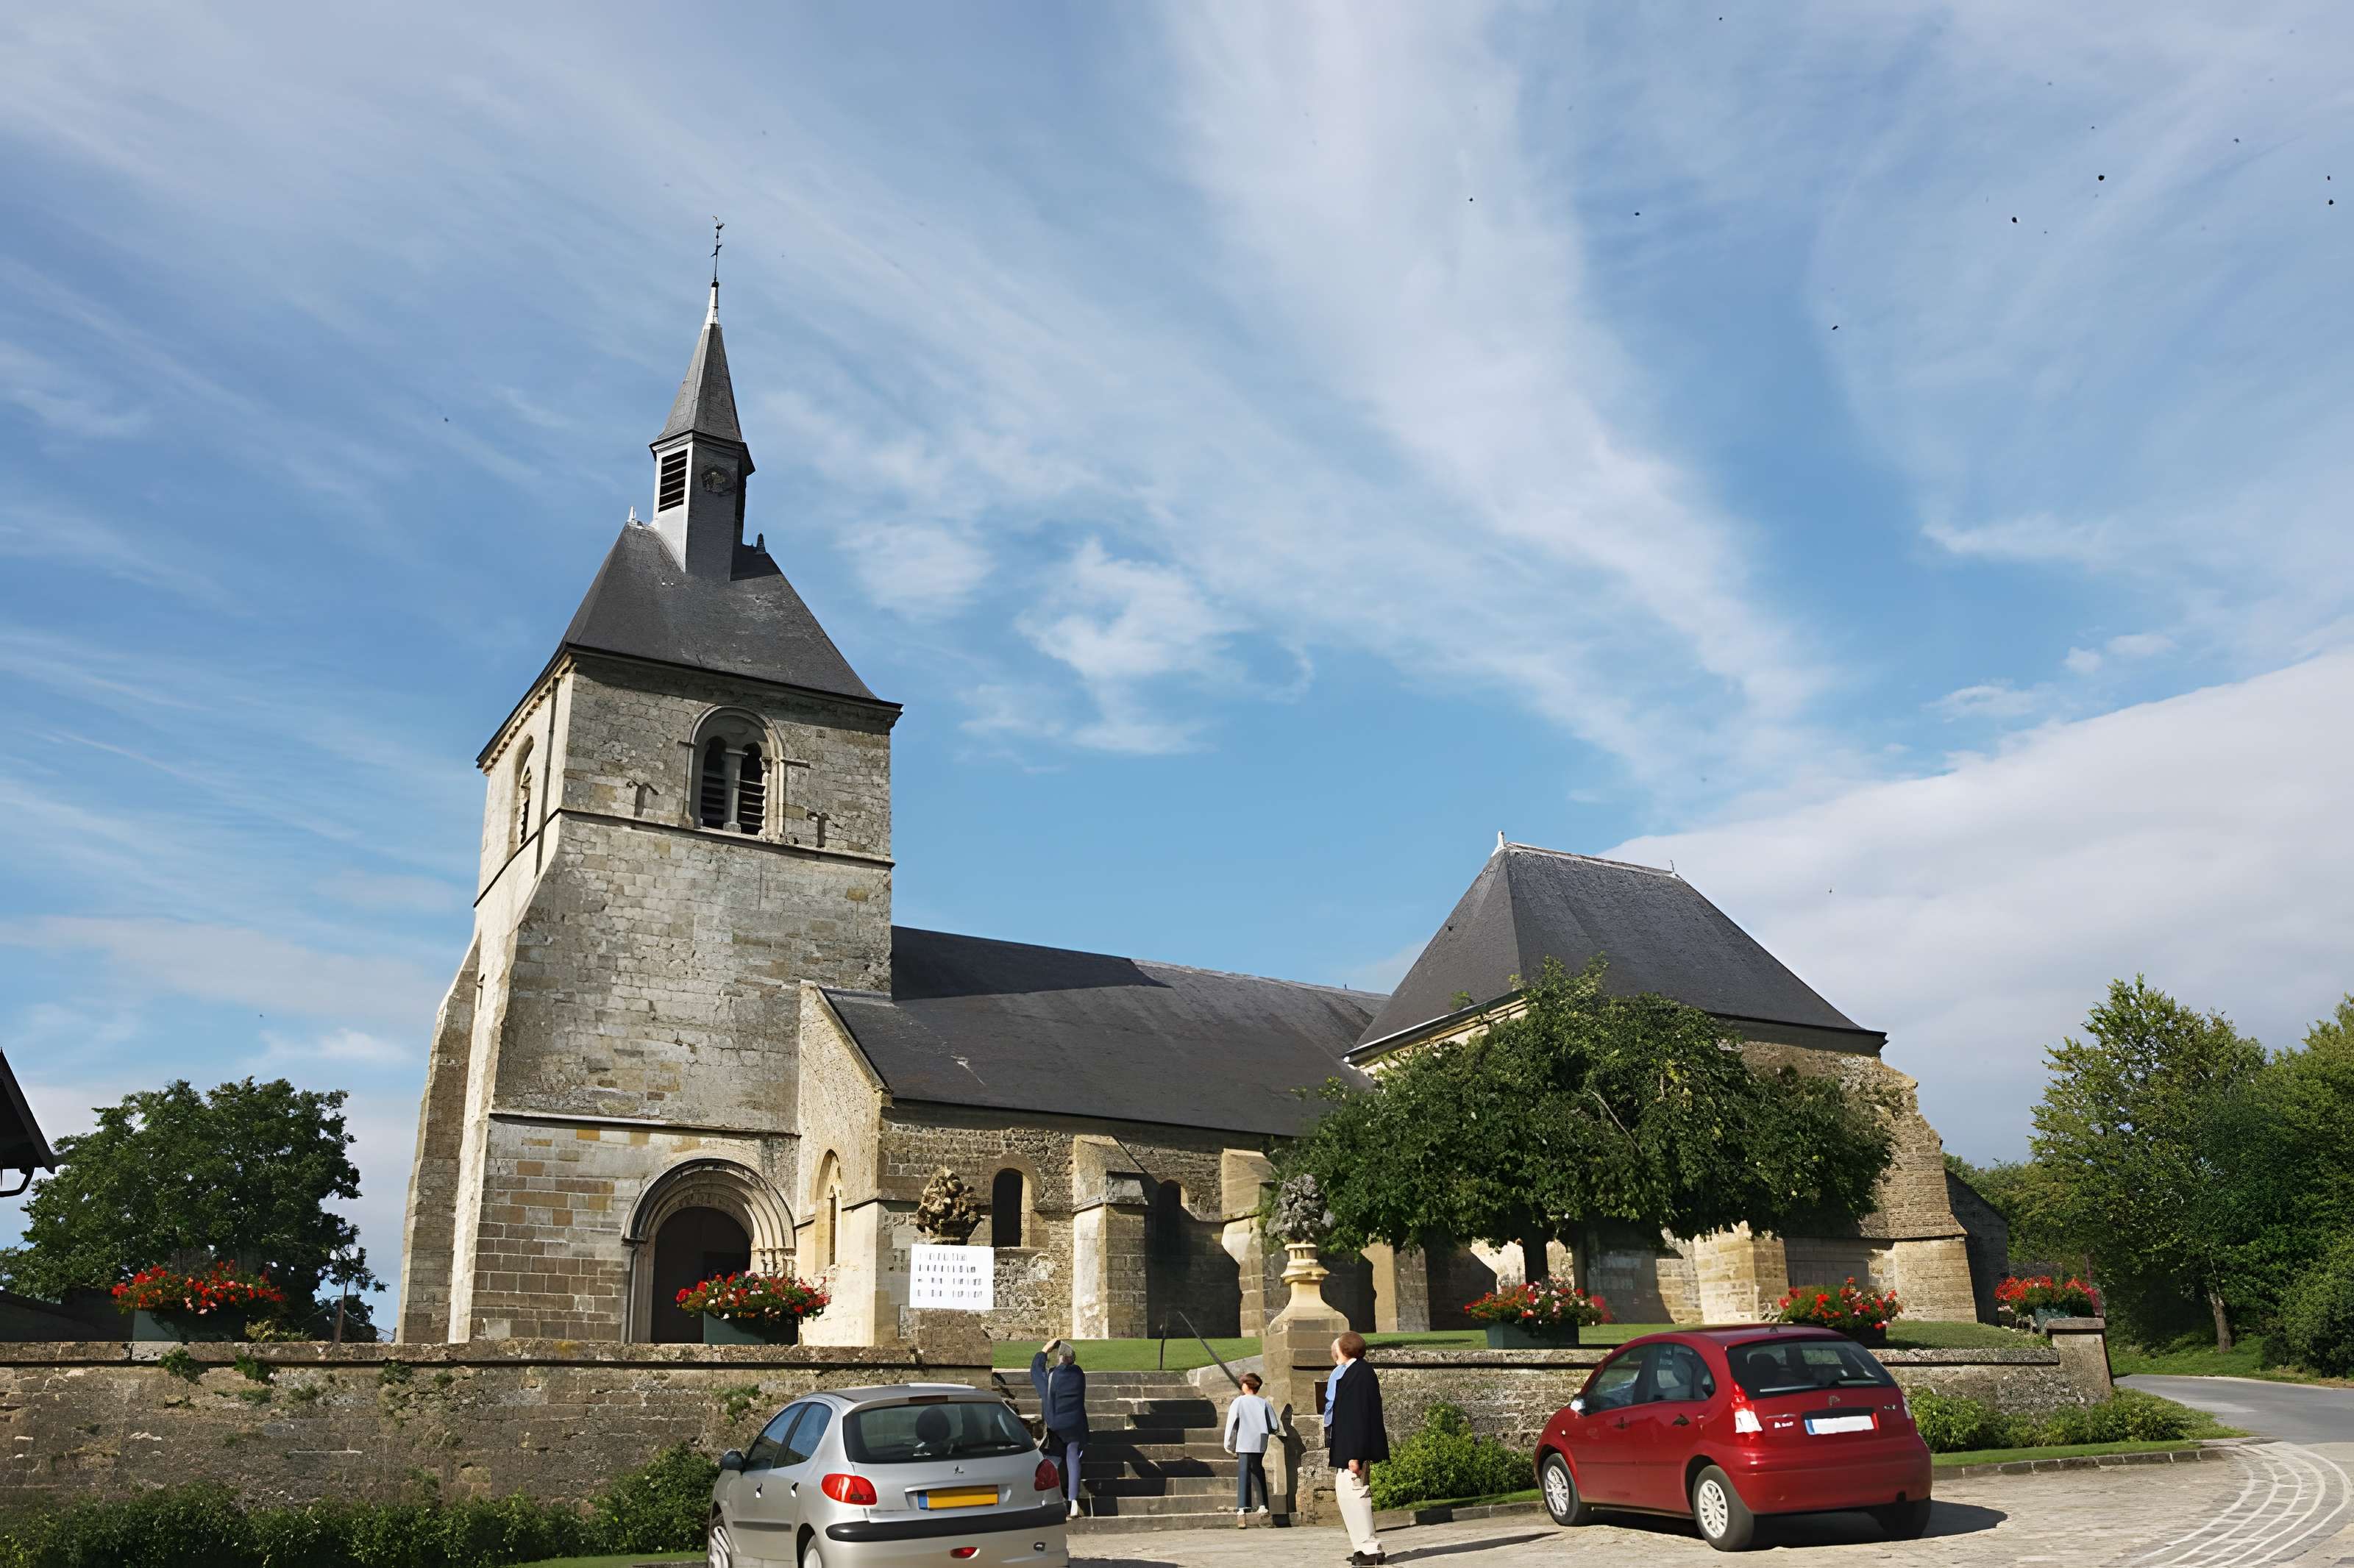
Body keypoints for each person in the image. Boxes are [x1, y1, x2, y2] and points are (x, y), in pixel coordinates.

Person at [1323, 1331, 1389, 1565]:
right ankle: (1362, 1546)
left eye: (1336, 1350)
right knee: (1347, 1496)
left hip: (1353, 1449)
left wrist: (1355, 1456)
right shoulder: (1354, 1372)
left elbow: (1358, 1417)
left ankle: (1371, 1548)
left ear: (1343, 1350)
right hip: (1348, 1447)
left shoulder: (1359, 1374)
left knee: (1356, 1495)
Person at [1029, 1336, 1090, 1519]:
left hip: (1057, 1425)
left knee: (1053, 1458)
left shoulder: (1052, 1378)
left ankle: (1052, 1498)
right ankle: (1074, 1502)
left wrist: (1045, 1350)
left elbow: (1036, 1372)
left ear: (1060, 1358)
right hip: (1075, 1425)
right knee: (1073, 1459)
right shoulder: (1079, 1375)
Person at [1222, 1370, 1280, 1524]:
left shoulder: (1239, 1402)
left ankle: (1242, 1506)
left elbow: (1231, 1424)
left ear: (1247, 1386)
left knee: (1244, 1472)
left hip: (1244, 1441)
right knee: (1258, 1471)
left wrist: (1228, 1444)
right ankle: (1263, 1505)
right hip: (1260, 1441)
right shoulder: (1264, 1402)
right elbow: (1274, 1425)